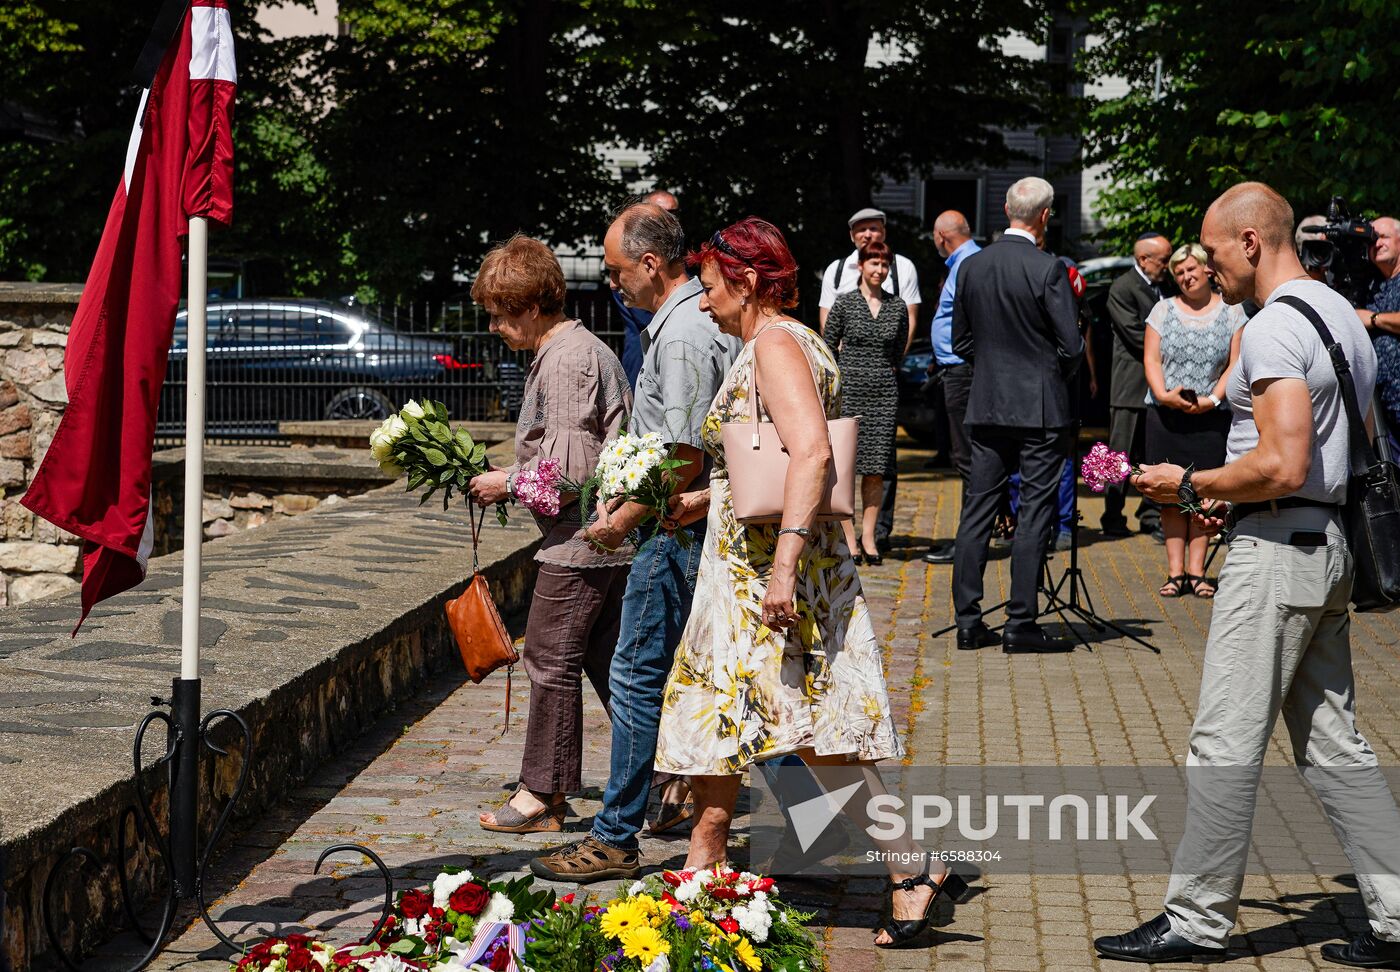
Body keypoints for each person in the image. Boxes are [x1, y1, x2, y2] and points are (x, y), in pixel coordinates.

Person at [1099, 182, 1400, 968]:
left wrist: (1192, 486)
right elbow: (1347, 450)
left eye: (1214, 250)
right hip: (1324, 547)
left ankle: (1196, 920)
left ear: (1252, 242)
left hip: (1276, 556)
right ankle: (1399, 917)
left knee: (1223, 743)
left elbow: (1283, 459)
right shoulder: (1342, 316)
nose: (1204, 267)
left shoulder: (1271, 330)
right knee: (1337, 749)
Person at [655, 217, 968, 950]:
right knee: (718, 716)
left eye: (708, 288)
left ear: (747, 282)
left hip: (770, 576)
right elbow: (766, 463)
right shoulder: (793, 340)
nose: (703, 304)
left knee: (821, 739)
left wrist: (785, 566)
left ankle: (910, 868)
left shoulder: (773, 342)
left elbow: (812, 454)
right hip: (748, 568)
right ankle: (707, 860)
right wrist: (704, 499)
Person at [529, 202, 742, 882]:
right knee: (704, 681)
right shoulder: (682, 323)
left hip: (671, 530)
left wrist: (622, 518)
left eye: (617, 270)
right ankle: (672, 810)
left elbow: (682, 453)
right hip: (678, 521)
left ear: (651, 264)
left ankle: (618, 834)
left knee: (636, 676)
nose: (611, 282)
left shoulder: (679, 335)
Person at [464, 236, 634, 834]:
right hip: (604, 536)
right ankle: (669, 780)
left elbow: (567, 474)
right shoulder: (574, 351)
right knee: (610, 665)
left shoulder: (566, 359)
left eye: (502, 314)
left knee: (548, 660)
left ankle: (542, 791)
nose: (496, 327)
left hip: (581, 539)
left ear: (533, 305)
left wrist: (504, 482)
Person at [949, 177, 1083, 653]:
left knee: (977, 511)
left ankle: (967, 622)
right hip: (1040, 409)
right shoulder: (1048, 270)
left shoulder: (971, 267)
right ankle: (1020, 623)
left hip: (985, 405)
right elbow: (1072, 346)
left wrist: (991, 369)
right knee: (1034, 514)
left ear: (1006, 208)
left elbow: (959, 340)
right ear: (1045, 215)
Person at [1142, 242, 1245, 599]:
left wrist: (1214, 398)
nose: (1185, 277)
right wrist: (1163, 395)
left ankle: (1198, 572)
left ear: (1207, 270)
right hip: (1166, 416)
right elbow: (1152, 360)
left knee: (1202, 495)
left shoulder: (1233, 312)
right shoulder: (1162, 309)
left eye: (1191, 269)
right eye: (1179, 272)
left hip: (1211, 417)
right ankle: (1174, 573)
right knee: (1171, 497)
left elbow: (1236, 363)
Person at [819, 207, 922, 551]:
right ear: (860, 266)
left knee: (877, 467)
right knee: (845, 466)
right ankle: (847, 536)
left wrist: (883, 368)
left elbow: (898, 350)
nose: (879, 269)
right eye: (873, 263)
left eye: (883, 264)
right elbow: (828, 345)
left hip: (883, 391)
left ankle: (870, 536)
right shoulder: (845, 302)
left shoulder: (896, 306)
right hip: (849, 389)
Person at [1102, 232, 1172, 538]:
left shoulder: (1164, 287)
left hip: (1159, 388)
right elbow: (1135, 335)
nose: (1168, 266)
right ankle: (1112, 515)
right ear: (1144, 259)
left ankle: (1150, 515)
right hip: (1130, 386)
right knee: (1120, 454)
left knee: (1153, 453)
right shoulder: (1123, 288)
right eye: (1164, 260)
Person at [922, 211, 981, 565]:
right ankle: (968, 538)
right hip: (953, 369)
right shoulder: (963, 262)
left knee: (967, 459)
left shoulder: (968, 264)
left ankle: (970, 542)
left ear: (942, 236)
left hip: (964, 371)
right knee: (965, 457)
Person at [611, 189, 680, 388]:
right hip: (641, 368)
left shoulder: (685, 270)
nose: (669, 220)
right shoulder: (626, 271)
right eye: (662, 213)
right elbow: (650, 319)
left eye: (673, 214)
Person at [1356, 216, 1400, 457]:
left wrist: (1373, 319)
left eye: (1383, 237)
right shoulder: (1370, 286)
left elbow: (1369, 318)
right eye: (1372, 240)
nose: (1377, 243)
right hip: (1383, 406)